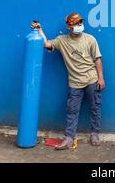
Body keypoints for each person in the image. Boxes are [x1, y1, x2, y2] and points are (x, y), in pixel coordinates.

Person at [31, 13, 105, 150]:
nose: (79, 26)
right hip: (74, 83)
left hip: (92, 80)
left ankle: (94, 134)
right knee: (72, 111)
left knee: (95, 108)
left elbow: (97, 59)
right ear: (69, 26)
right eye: (76, 24)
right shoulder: (61, 41)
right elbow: (46, 44)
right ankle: (69, 138)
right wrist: (39, 30)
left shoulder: (90, 39)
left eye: (80, 23)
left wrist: (100, 78)